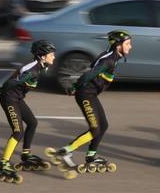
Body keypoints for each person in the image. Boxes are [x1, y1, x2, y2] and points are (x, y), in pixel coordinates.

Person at [47, 29, 133, 176]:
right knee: (95, 129)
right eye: (128, 43)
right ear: (118, 45)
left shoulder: (113, 56)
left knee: (103, 125)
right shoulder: (109, 59)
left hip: (91, 94)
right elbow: (90, 73)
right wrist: (74, 86)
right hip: (85, 95)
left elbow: (94, 67)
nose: (130, 46)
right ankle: (65, 152)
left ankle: (91, 156)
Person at [0, 39, 56, 183]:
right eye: (52, 54)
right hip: (9, 99)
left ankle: (26, 154)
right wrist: (1, 90)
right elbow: (13, 82)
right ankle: (4, 163)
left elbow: (15, 77)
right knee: (18, 131)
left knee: (32, 122)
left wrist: (1, 88)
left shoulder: (38, 66)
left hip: (17, 98)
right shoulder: (33, 70)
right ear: (42, 56)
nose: (54, 57)